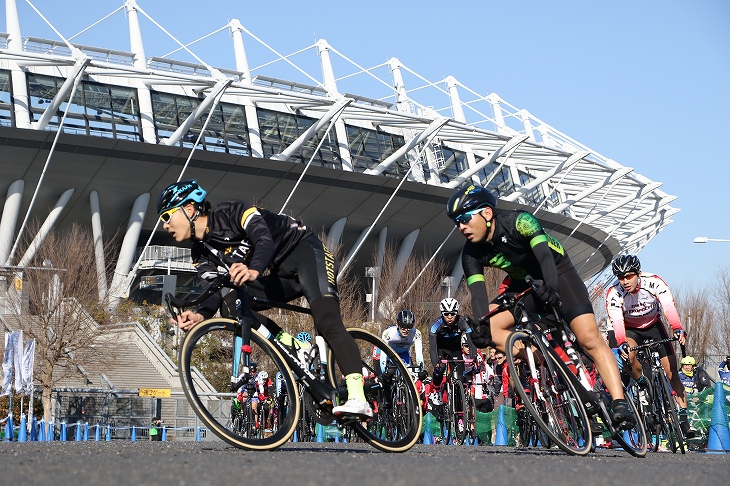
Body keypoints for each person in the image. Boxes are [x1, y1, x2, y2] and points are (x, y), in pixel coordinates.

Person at [158, 180, 372, 418]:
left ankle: (358, 397)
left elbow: (263, 240)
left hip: (306, 253)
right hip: (280, 274)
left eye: (166, 216)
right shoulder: (200, 252)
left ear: (189, 208)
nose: (164, 225)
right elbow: (214, 288)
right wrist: (200, 314)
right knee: (231, 306)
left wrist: (253, 270)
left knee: (327, 321)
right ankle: (294, 346)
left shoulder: (231, 211)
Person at [446, 183, 634, 427]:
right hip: (521, 282)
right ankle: (541, 355)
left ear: (487, 213)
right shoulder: (470, 253)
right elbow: (478, 295)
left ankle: (619, 403)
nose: (461, 227)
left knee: (588, 338)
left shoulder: (520, 222)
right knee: (490, 328)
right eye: (456, 222)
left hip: (557, 273)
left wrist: (552, 289)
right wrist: (481, 327)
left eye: (464, 218)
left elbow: (545, 256)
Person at [605, 254, 692, 436]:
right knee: (627, 356)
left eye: (629, 276)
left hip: (654, 326)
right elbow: (617, 321)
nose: (625, 281)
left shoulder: (653, 282)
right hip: (631, 329)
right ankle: (642, 382)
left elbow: (668, 306)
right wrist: (621, 342)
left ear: (639, 273)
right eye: (621, 277)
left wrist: (677, 328)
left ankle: (683, 417)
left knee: (671, 372)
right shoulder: (614, 293)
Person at [429, 298, 477, 388]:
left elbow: (471, 341)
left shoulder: (463, 322)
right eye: (446, 314)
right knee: (439, 370)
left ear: (457, 313)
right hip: (440, 350)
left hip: (455, 349)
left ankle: (459, 399)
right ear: (442, 314)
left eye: (453, 314)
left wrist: (473, 357)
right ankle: (436, 391)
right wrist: (436, 364)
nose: (450, 317)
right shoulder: (435, 325)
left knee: (460, 378)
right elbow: (432, 348)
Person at [377, 310, 425, 375]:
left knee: (410, 376)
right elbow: (383, 355)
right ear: (397, 324)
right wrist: (384, 371)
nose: (406, 329)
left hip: (404, 354)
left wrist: (421, 371)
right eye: (403, 326)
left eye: (409, 326)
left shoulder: (416, 334)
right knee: (388, 375)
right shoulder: (388, 333)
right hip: (389, 354)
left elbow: (419, 355)